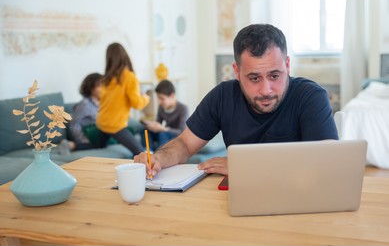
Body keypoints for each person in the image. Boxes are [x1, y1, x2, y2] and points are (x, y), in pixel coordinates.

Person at [134, 24, 338, 176]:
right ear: (237, 72)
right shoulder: (222, 96)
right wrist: (158, 158)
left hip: (298, 197)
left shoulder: (310, 97)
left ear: (287, 65)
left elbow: (327, 163)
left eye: (275, 75)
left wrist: (245, 166)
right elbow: (185, 145)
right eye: (254, 78)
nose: (266, 90)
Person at [96, 42, 150, 156]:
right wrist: (145, 98)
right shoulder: (129, 77)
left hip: (101, 123)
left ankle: (73, 145)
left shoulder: (106, 78)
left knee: (95, 145)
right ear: (125, 56)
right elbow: (137, 104)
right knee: (141, 153)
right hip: (116, 125)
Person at [59, 73, 102, 155]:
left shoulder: (102, 104)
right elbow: (74, 124)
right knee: (101, 141)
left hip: (98, 134)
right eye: (99, 86)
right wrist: (83, 140)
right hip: (87, 134)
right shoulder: (84, 104)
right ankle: (71, 145)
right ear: (91, 88)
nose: (103, 89)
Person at [141, 79, 189, 151]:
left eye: (162, 98)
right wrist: (153, 125)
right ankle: (148, 151)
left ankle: (159, 154)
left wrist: (164, 129)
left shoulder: (183, 109)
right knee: (145, 130)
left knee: (163, 133)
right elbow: (158, 123)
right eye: (158, 98)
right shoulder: (161, 107)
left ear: (172, 96)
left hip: (176, 136)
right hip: (164, 132)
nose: (159, 101)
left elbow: (182, 131)